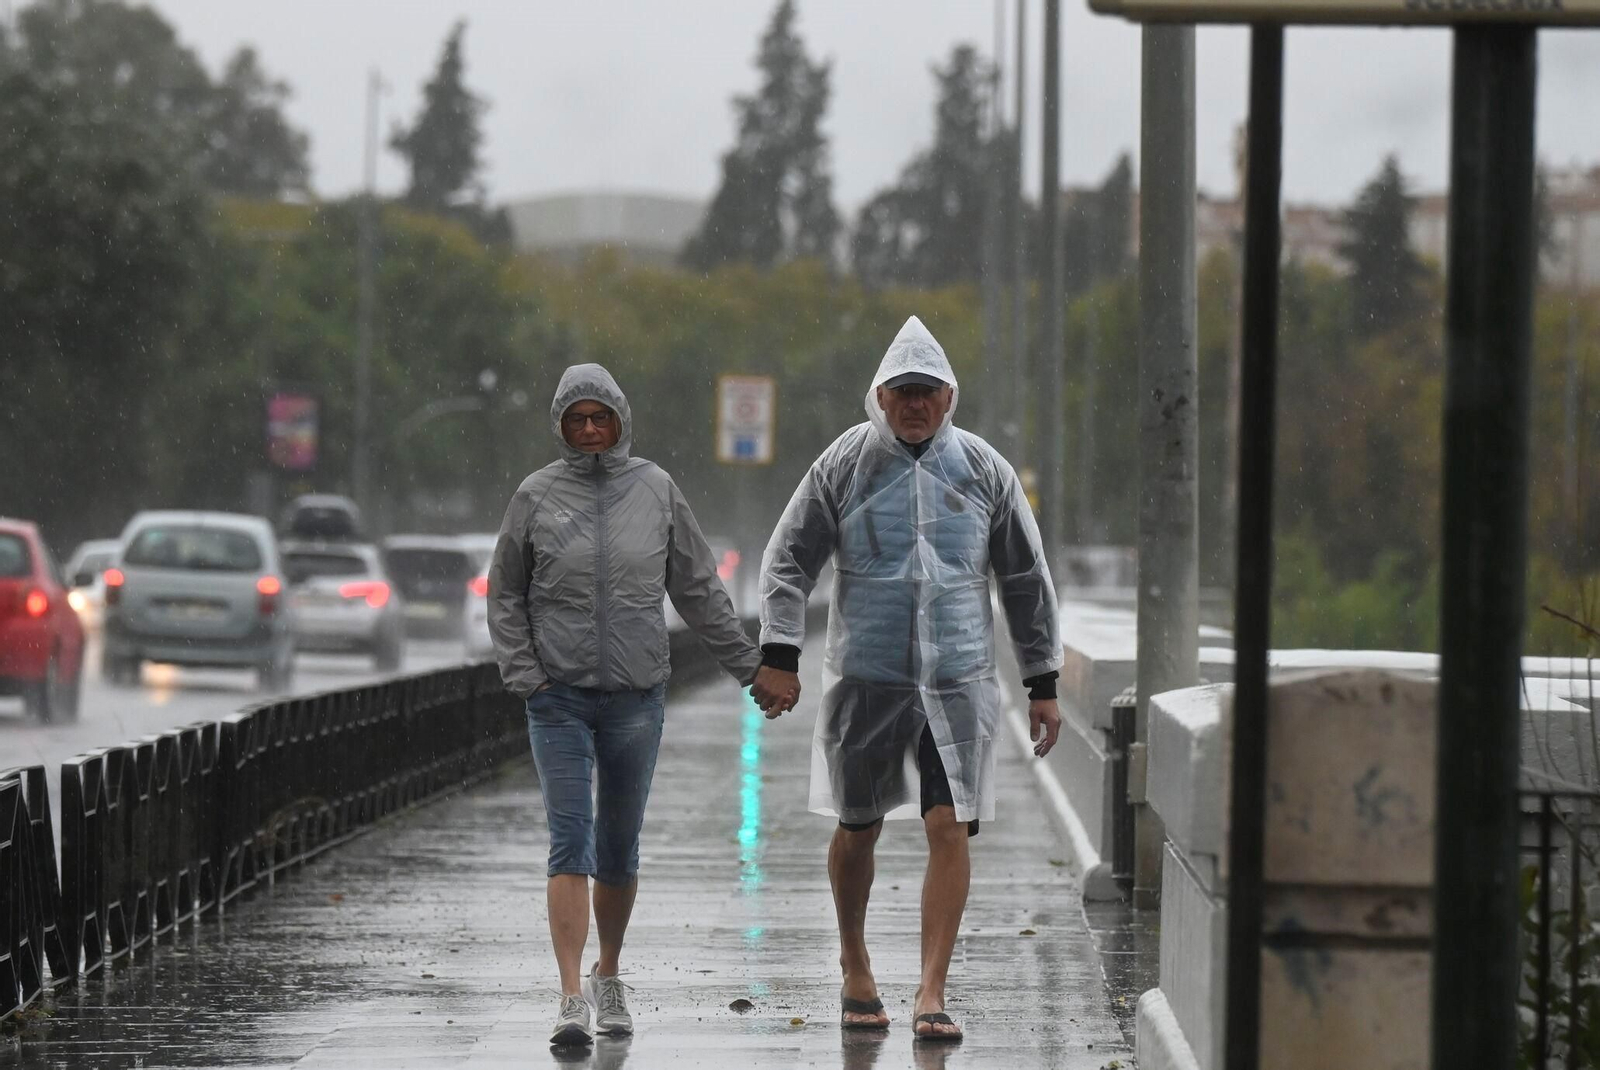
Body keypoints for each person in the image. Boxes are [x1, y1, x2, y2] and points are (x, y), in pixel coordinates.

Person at [751, 316, 1062, 1042]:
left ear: (949, 398)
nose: (915, 404)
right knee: (857, 828)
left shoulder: (985, 471)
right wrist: (780, 653)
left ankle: (932, 989)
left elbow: (1024, 577)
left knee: (948, 825)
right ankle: (855, 961)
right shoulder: (846, 466)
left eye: (928, 391)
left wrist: (1041, 680)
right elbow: (789, 558)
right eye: (902, 391)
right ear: (880, 397)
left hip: (958, 681)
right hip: (868, 676)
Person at [489, 363, 798, 1046]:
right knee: (570, 840)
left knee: (618, 847)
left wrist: (754, 667)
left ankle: (608, 974)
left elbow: (697, 590)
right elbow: (505, 592)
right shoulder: (535, 496)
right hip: (557, 700)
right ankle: (570, 996)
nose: (592, 430)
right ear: (561, 426)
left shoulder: (655, 490)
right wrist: (527, 676)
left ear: (621, 421)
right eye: (579, 419)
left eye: (602, 418)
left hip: (635, 698)